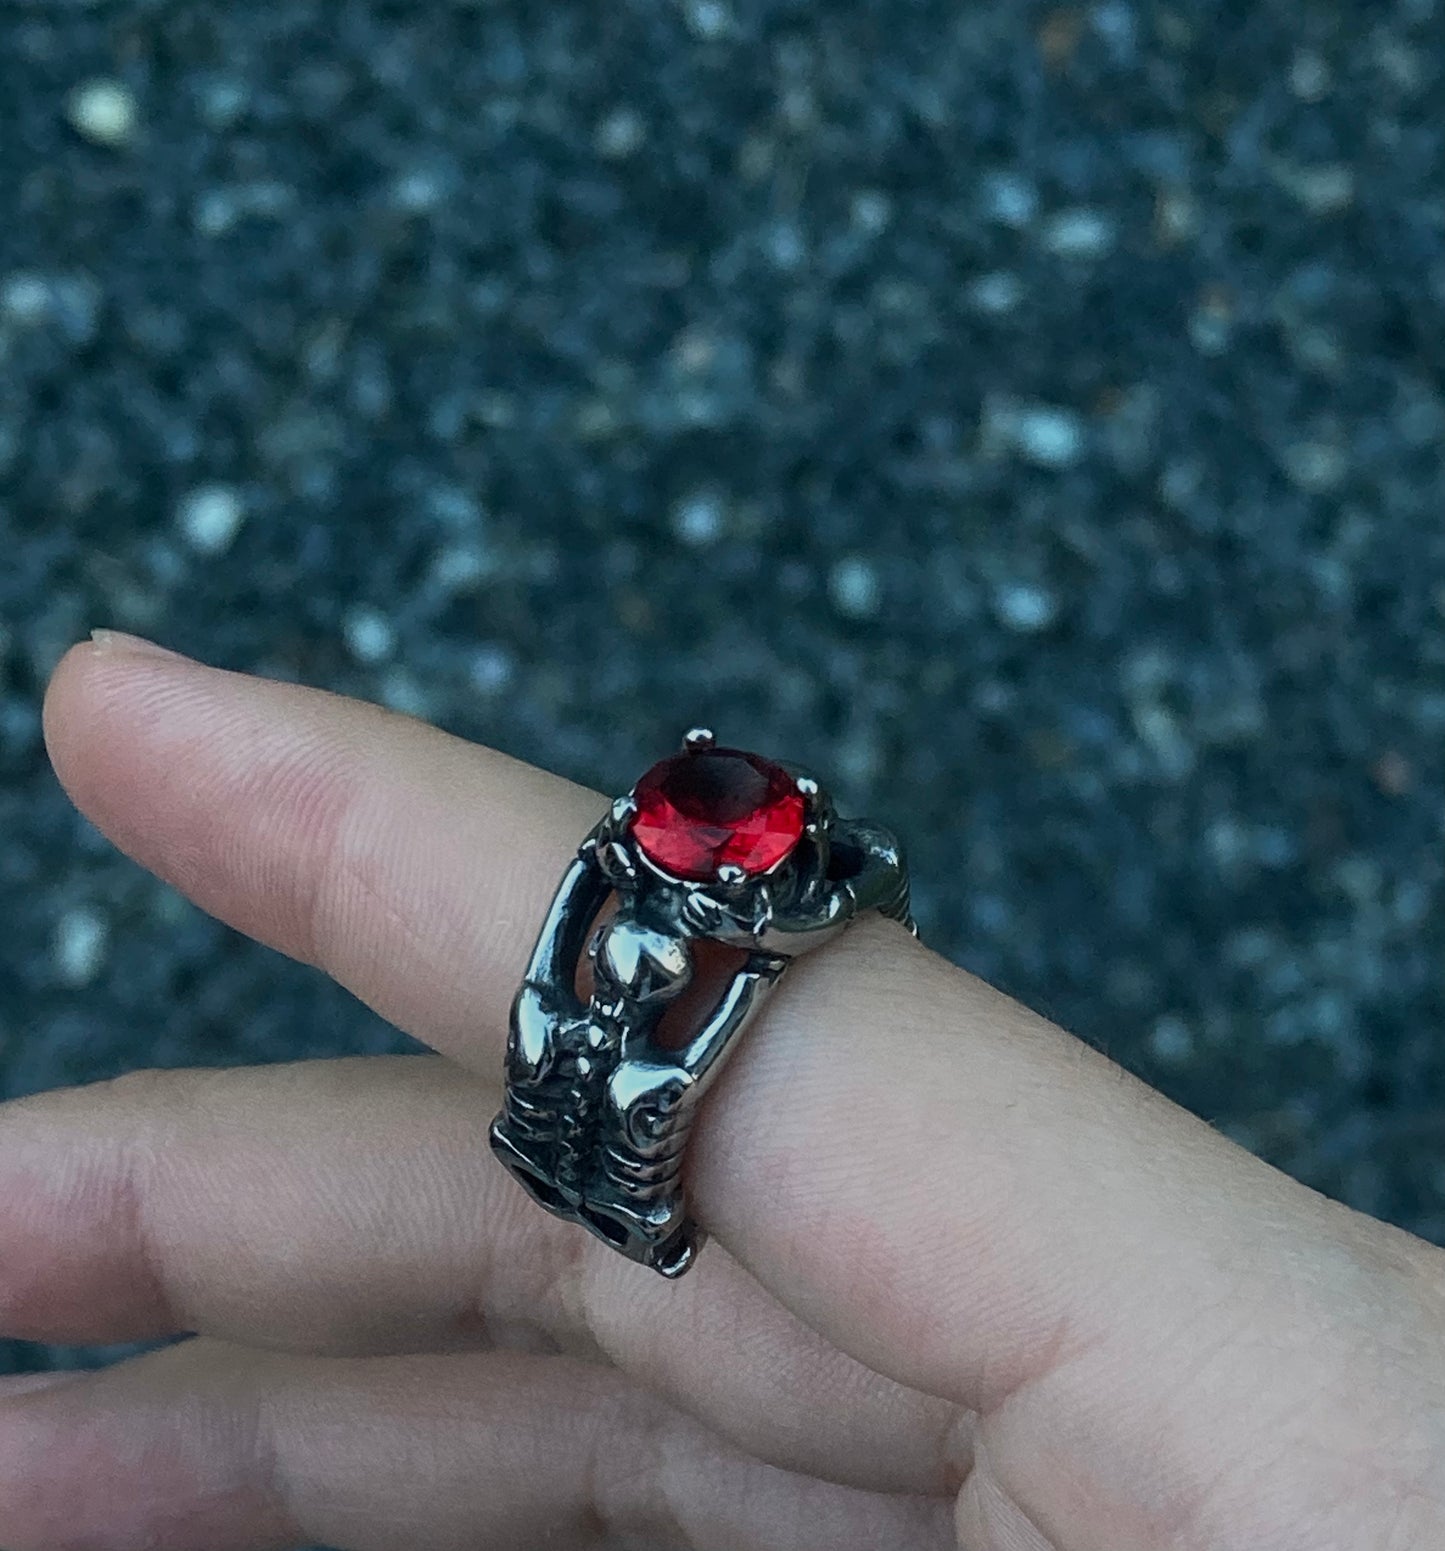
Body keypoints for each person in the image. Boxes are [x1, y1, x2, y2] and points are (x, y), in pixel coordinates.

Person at [6, 626, 1440, 1551]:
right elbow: (562, 988)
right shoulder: (626, 927)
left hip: (640, 1086)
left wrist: (743, 977)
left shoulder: (708, 948)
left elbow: (657, 1043)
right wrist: (623, 911)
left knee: (619, 1095)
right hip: (600, 1063)